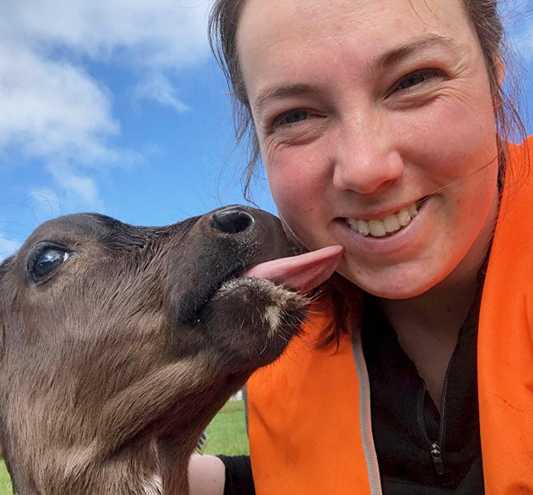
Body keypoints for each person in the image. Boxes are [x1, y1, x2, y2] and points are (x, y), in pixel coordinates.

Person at [189, 0, 532, 493]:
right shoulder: (277, 331)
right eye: (297, 115)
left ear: (495, 74)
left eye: (413, 80)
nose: (365, 168)